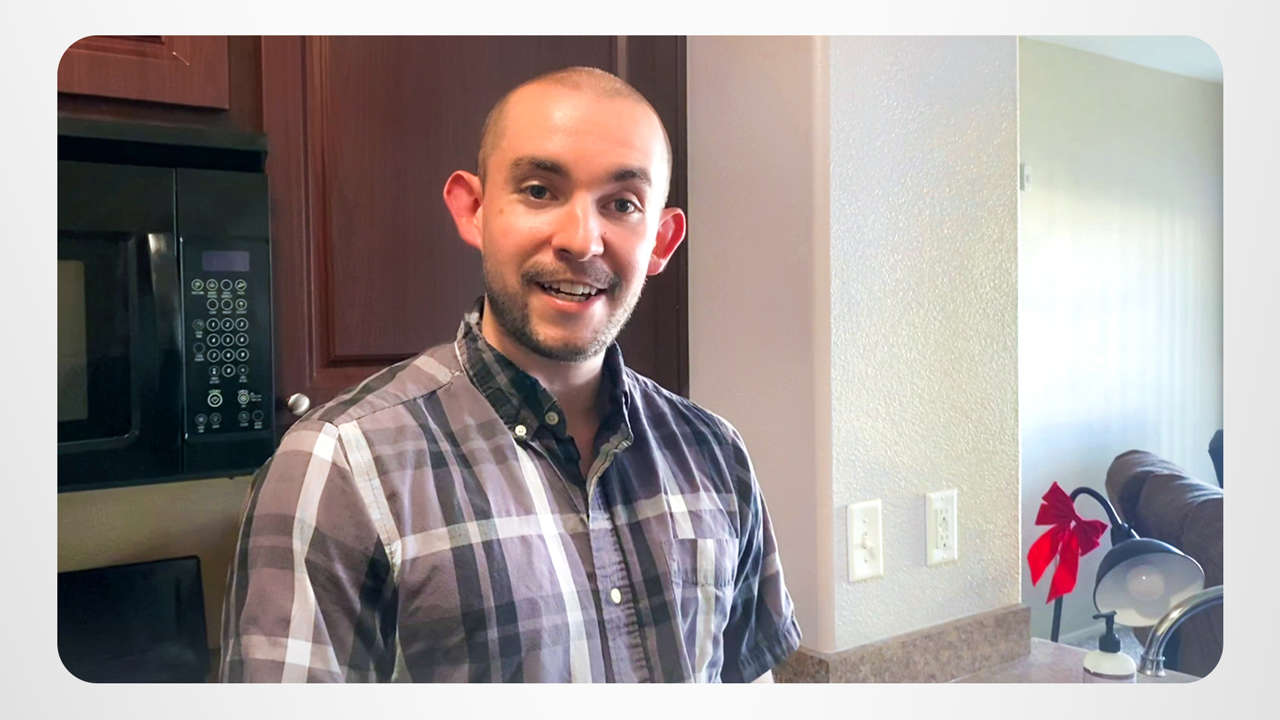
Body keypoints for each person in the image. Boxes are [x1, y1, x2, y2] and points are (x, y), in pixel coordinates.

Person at [219, 66, 800, 683]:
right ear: (473, 209)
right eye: (539, 191)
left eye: (622, 204)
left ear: (660, 239)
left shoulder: (714, 452)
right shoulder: (337, 468)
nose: (581, 241)